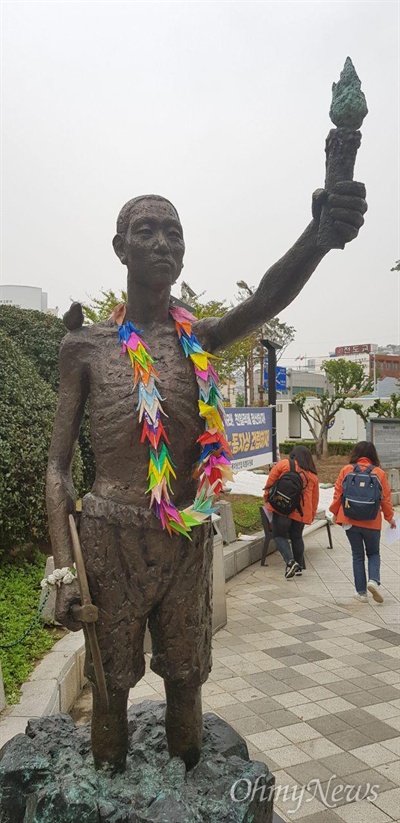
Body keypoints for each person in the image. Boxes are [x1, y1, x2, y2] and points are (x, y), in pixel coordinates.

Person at [47, 183, 366, 773]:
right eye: (147, 231)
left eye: (174, 233)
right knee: (110, 684)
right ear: (120, 247)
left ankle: (190, 779)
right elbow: (57, 469)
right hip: (109, 534)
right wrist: (63, 571)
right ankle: (109, 775)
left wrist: (317, 241)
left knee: (187, 678)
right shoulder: (84, 348)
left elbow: (266, 299)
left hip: (185, 535)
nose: (163, 243)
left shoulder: (199, 340)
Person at [329, 441, 396, 603]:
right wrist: (390, 518)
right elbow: (385, 499)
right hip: (372, 521)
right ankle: (373, 581)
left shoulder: (346, 470)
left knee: (357, 555)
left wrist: (335, 513)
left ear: (355, 453)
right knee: (373, 553)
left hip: (350, 520)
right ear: (373, 455)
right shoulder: (378, 473)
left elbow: (338, 494)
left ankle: (361, 593)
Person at [264, 446, 319, 577]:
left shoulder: (284, 464)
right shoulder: (312, 475)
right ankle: (299, 568)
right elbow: (315, 499)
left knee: (279, 536)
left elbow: (270, 483)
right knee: (297, 537)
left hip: (282, 508)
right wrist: (311, 515)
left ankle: (290, 562)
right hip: (300, 512)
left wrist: (267, 500)